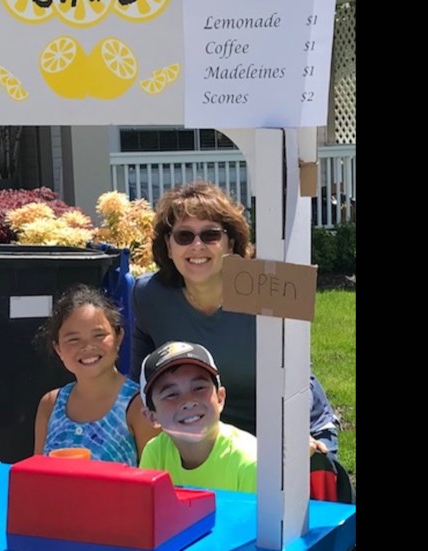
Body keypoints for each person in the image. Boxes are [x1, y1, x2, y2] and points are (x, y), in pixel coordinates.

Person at [130, 181, 340, 453]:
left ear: (230, 242)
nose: (197, 246)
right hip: (201, 436)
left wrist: (295, 436)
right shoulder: (148, 295)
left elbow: (298, 375)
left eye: (210, 235)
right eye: (184, 236)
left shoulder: (266, 287)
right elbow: (139, 383)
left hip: (287, 428)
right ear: (168, 246)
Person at [33, 284, 159, 465]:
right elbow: (35, 476)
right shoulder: (50, 405)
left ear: (119, 338)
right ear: (58, 349)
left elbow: (154, 482)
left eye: (99, 335)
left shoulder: (141, 406)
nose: (88, 347)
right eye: (73, 339)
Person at [138, 340, 258, 493]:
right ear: (151, 416)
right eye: (171, 394)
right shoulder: (155, 452)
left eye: (199, 388)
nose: (188, 402)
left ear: (220, 398)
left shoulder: (251, 463)